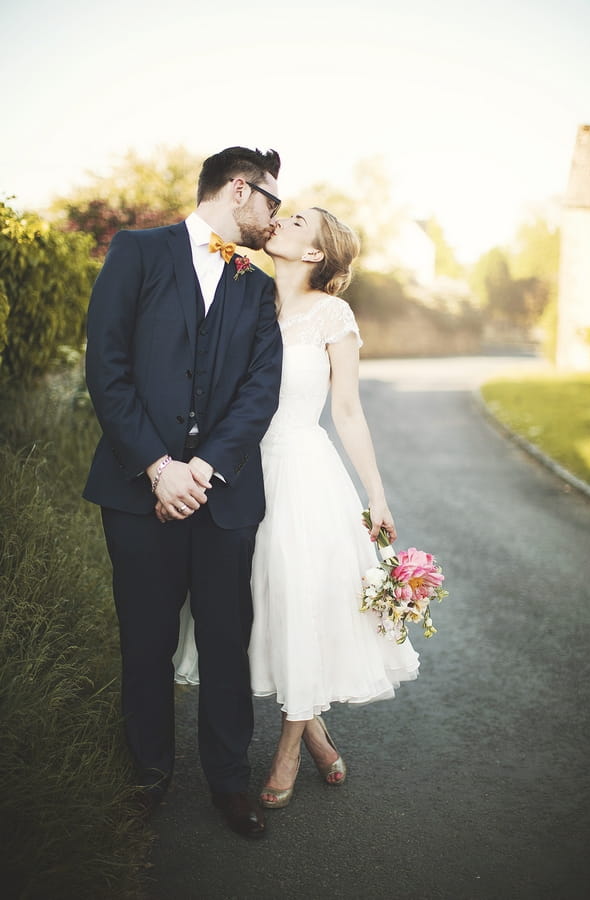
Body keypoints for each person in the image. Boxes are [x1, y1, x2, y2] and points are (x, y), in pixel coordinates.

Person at [173, 206, 419, 810]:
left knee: (300, 601)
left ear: (315, 254)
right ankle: (314, 732)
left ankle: (286, 753)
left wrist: (377, 495)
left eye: (299, 221)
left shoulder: (332, 315)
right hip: (237, 472)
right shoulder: (243, 298)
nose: (281, 220)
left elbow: (348, 412)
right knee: (256, 608)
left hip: (303, 473)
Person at [84, 146, 283, 839]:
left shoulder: (257, 286)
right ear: (238, 189)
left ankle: (229, 784)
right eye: (271, 202)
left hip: (221, 496)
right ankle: (147, 776)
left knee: (228, 640)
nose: (274, 217)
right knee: (146, 639)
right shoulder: (137, 253)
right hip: (138, 494)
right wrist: (157, 468)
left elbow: (261, 391)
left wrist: (200, 471)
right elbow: (105, 367)